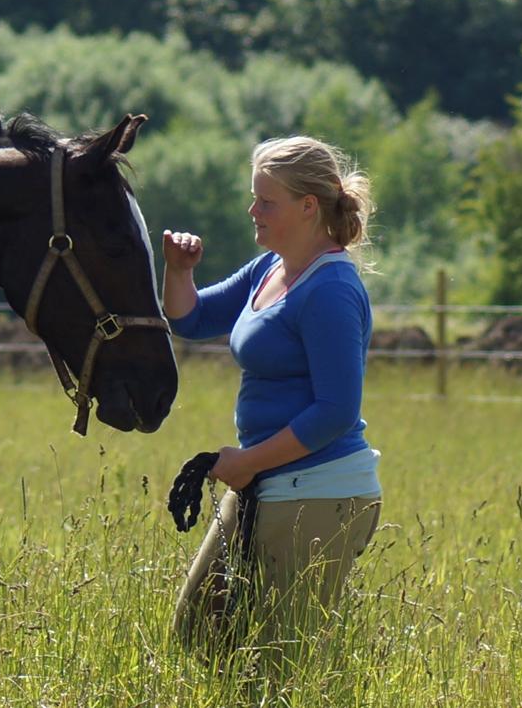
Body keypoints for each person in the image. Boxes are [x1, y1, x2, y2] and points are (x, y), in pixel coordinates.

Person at [163, 136, 383, 664]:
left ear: (309, 207)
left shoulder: (330, 289)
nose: (252, 211)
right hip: (267, 481)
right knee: (198, 636)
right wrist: (178, 269)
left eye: (266, 201)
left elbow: (335, 411)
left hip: (320, 493)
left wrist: (245, 462)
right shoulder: (271, 268)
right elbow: (189, 317)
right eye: (253, 197)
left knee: (279, 665)